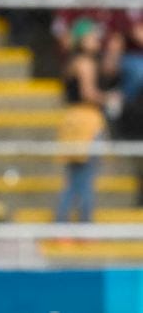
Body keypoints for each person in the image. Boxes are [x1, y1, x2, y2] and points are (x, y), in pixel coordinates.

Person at [54, 19, 117, 222]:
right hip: (86, 121)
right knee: (85, 178)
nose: (96, 40)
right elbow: (88, 93)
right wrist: (109, 98)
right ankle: (82, 224)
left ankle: (62, 223)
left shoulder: (73, 61)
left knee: (75, 178)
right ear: (81, 40)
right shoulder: (85, 62)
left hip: (72, 120)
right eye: (91, 36)